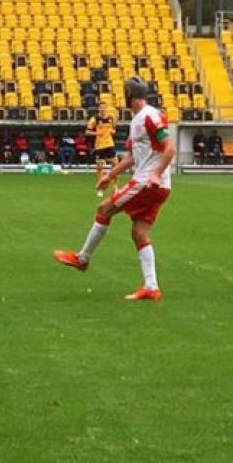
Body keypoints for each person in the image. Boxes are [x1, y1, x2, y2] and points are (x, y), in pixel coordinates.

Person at [53, 77, 174, 300]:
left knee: (104, 209)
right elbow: (130, 158)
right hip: (157, 185)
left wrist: (155, 174)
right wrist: (110, 175)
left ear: (130, 94)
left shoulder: (150, 116)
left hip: (148, 183)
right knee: (139, 233)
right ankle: (151, 287)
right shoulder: (137, 120)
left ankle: (82, 258)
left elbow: (170, 147)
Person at [85, 101, 117, 196]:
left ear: (106, 108)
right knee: (99, 168)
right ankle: (100, 188)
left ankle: (115, 187)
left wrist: (112, 131)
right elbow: (87, 132)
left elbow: (114, 129)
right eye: (101, 107)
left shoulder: (111, 117)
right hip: (99, 145)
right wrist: (97, 133)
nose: (102, 109)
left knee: (115, 166)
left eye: (104, 107)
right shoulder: (95, 119)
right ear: (99, 109)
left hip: (110, 144)